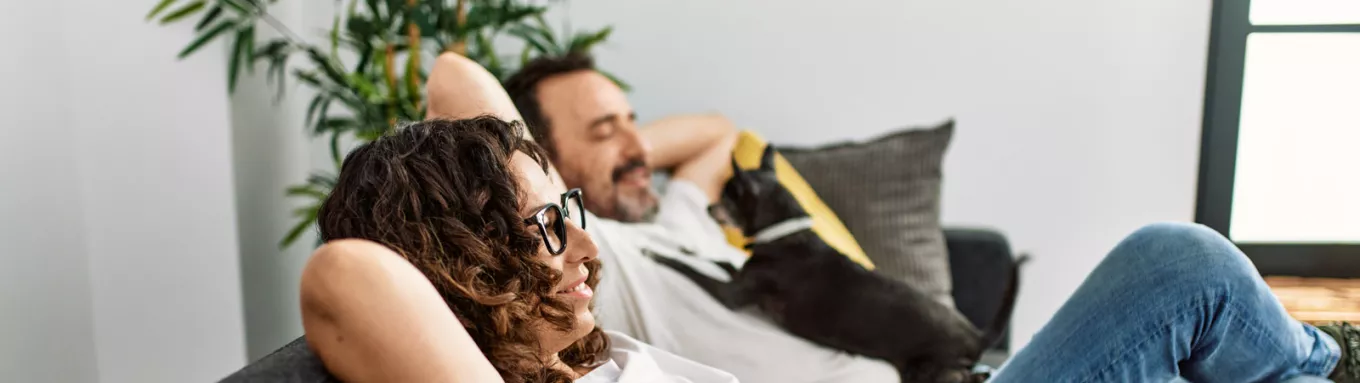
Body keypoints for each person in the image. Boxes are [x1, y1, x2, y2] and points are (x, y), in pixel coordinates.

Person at [297, 53, 1358, 382]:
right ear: (465, 265)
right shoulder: (553, 326)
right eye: (540, 228)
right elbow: (346, 275)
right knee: (1180, 265)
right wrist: (522, 188)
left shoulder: (597, 331)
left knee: (1179, 270)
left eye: (568, 213)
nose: (575, 242)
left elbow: (453, 79)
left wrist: (550, 192)